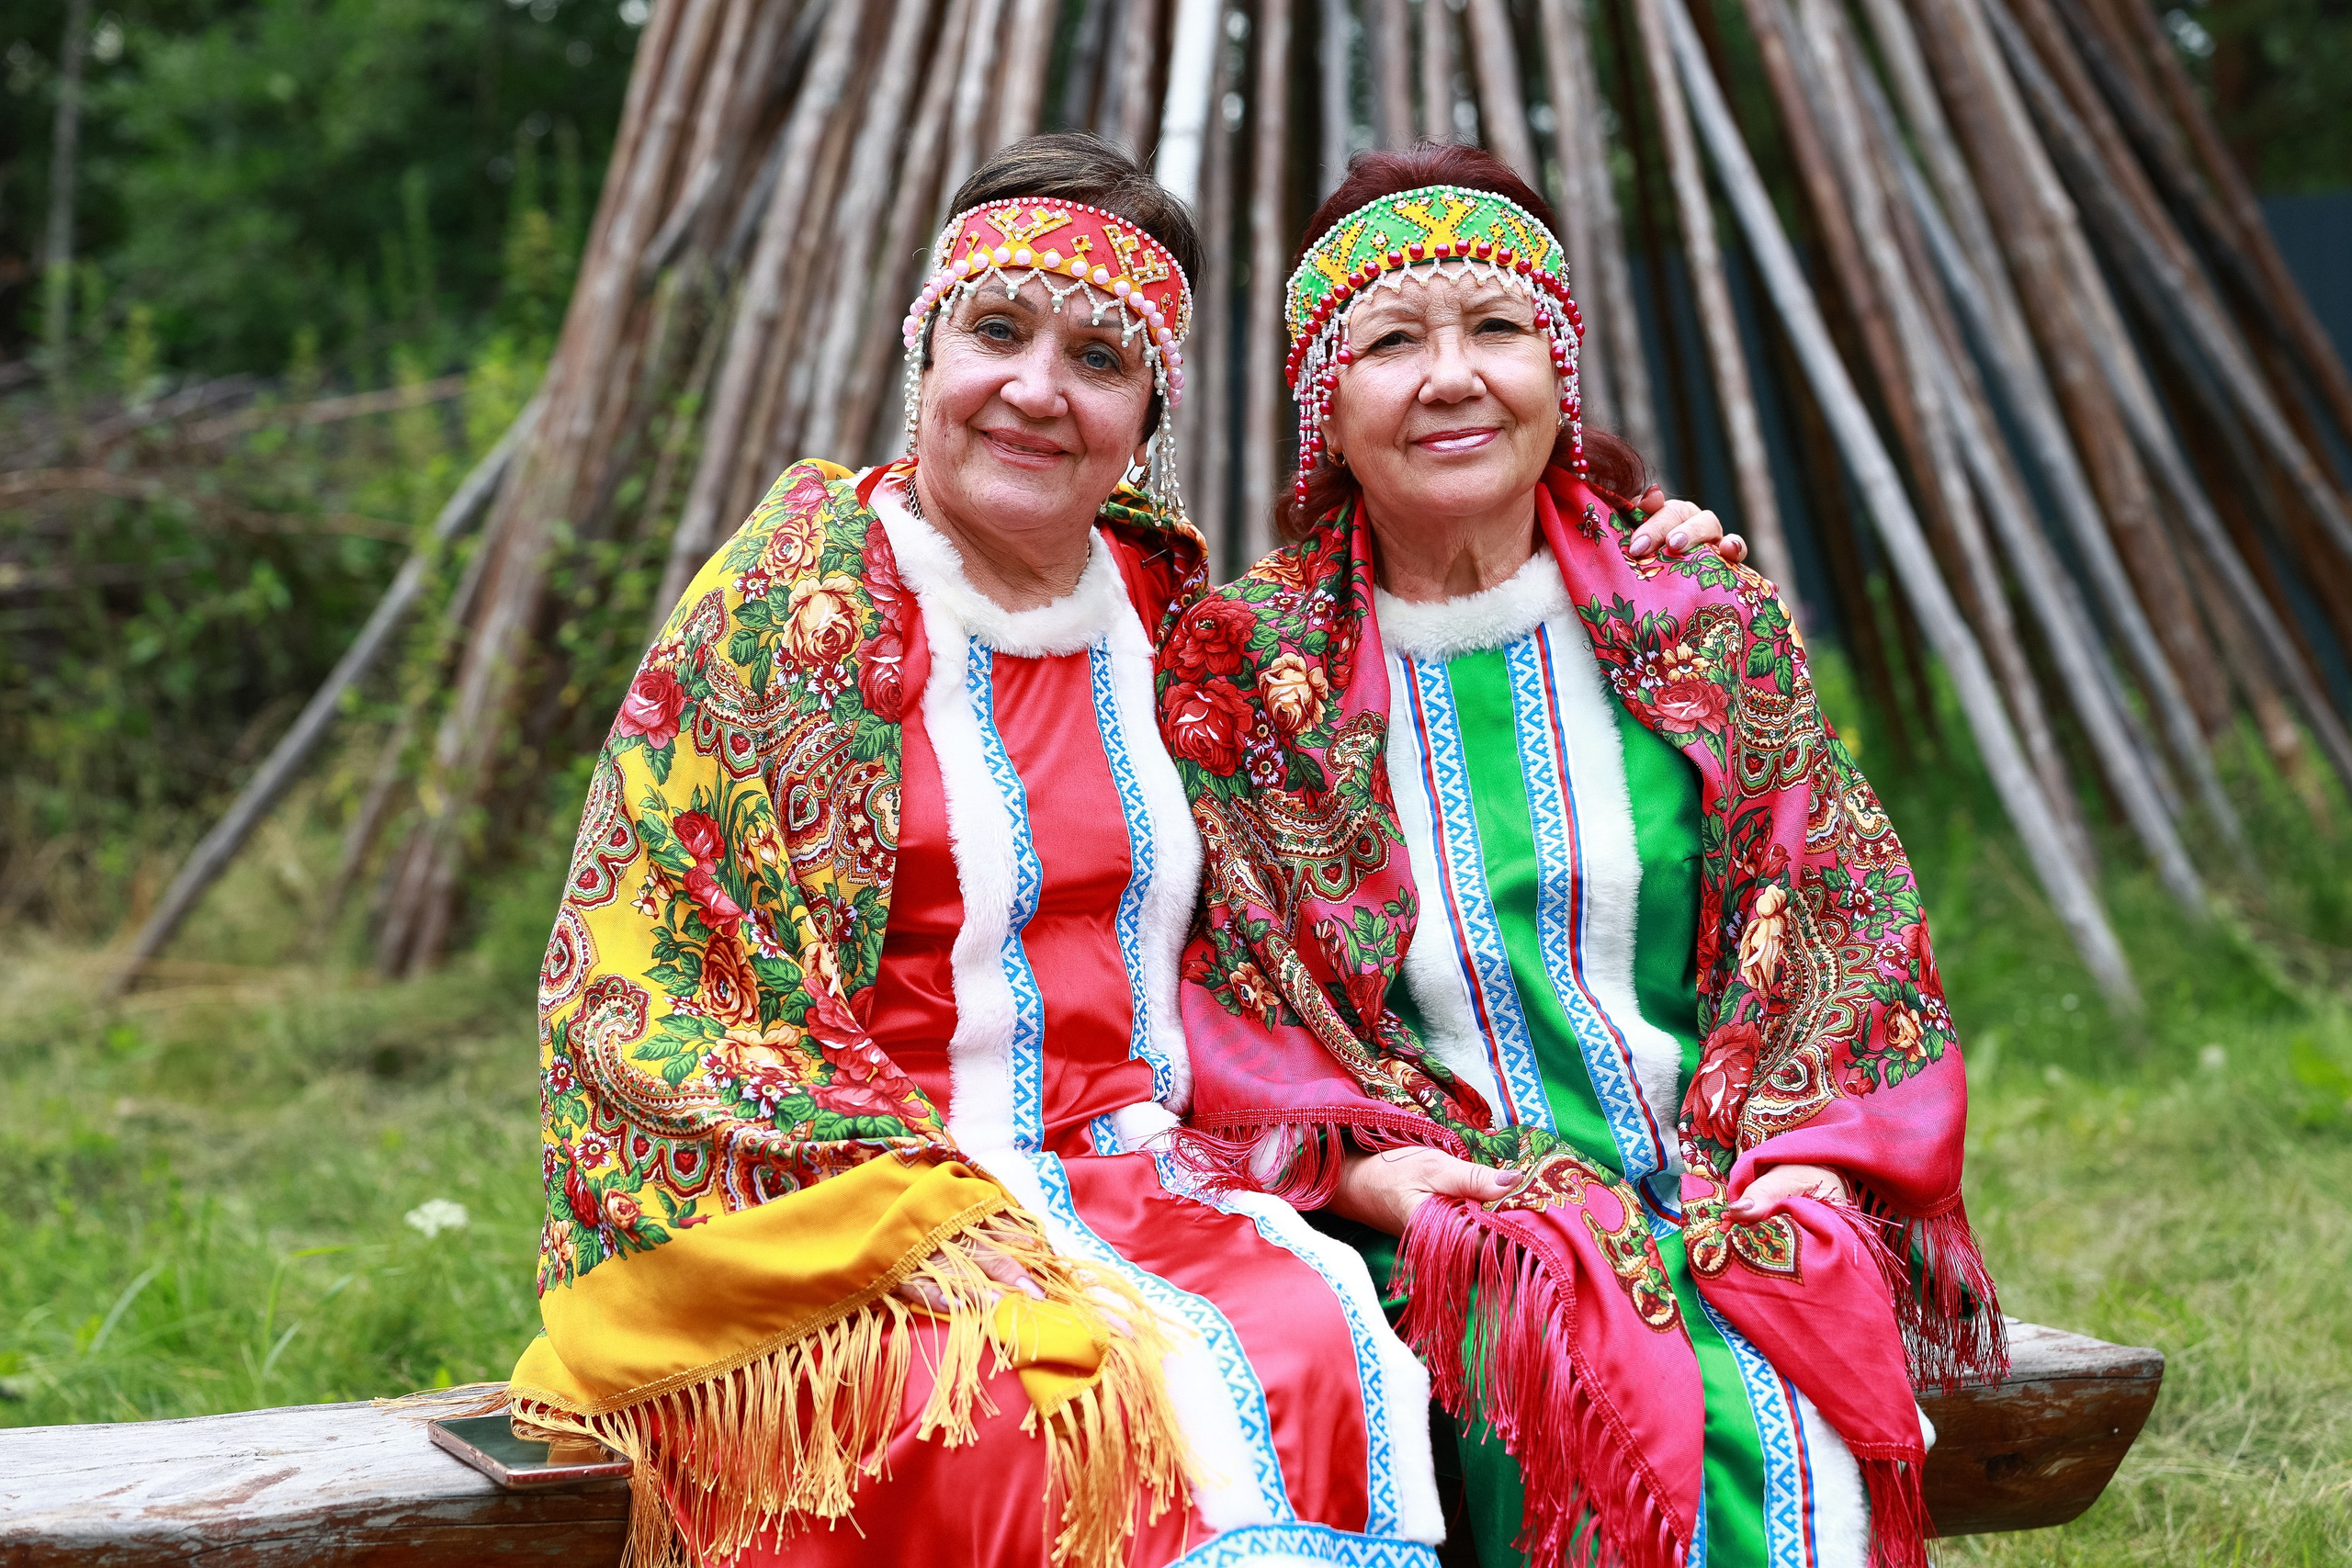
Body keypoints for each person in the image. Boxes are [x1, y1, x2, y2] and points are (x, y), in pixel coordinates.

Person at [507, 132, 1727, 1568]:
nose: (1036, 390)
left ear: (1148, 410)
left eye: (1100, 357)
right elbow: (643, 976)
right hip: (859, 1200)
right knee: (1041, 1403)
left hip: (1152, 1177)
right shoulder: (796, 600)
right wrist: (926, 1217)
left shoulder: (1173, 611)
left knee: (1326, 1343)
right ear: (927, 354)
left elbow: (1387, 706)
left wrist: (1621, 545)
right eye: (998, 332)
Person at [1159, 144, 2002, 1568]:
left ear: (1557, 369)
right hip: (1442, 1208)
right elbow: (1228, 992)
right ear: (1324, 403)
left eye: (1496, 327)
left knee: (1767, 1389)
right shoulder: (1251, 670)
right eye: (1390, 342)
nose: (1451, 377)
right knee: (1571, 1368)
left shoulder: (1700, 621)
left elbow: (1843, 919)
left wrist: (1809, 1162)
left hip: (1732, 1173)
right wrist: (1368, 1175)